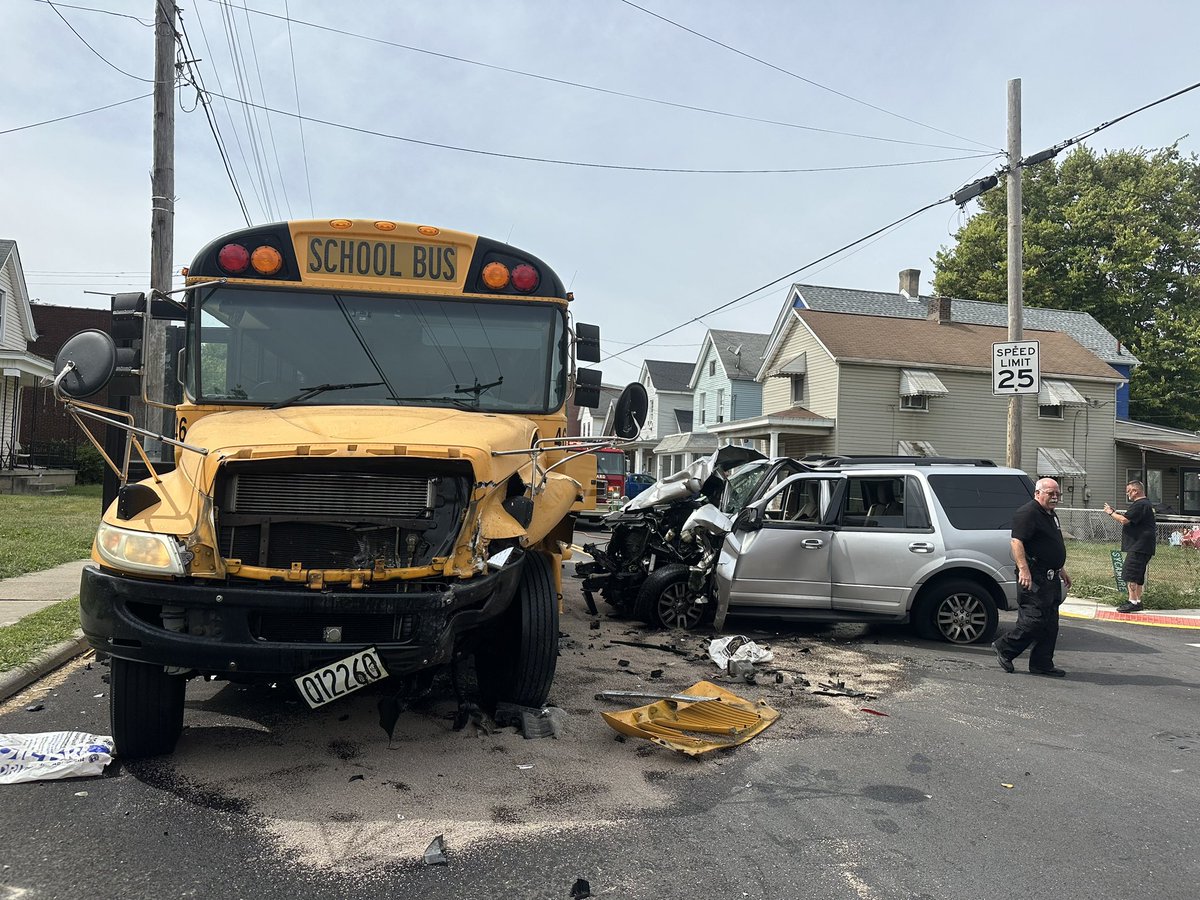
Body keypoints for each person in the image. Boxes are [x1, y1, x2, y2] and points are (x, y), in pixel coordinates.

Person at [993, 477, 1071, 677]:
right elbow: (1016, 542)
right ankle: (1005, 647)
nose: (1055, 497)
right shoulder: (1028, 513)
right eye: (1050, 493)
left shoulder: (1051, 514)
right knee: (1034, 620)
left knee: (1050, 624)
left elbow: (1051, 544)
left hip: (1051, 577)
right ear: (1038, 493)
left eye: (1057, 494)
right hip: (1034, 577)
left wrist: (1061, 568)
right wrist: (1024, 569)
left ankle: (1042, 663)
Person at [1104, 480, 1156, 613]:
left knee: (1130, 573)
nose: (1127, 494)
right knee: (1138, 575)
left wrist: (1110, 512)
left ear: (1135, 491)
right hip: (1144, 546)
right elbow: (1130, 519)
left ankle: (1132, 601)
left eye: (1129, 491)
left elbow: (1124, 520)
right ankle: (1137, 601)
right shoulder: (1145, 504)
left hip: (1139, 546)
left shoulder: (1140, 504)